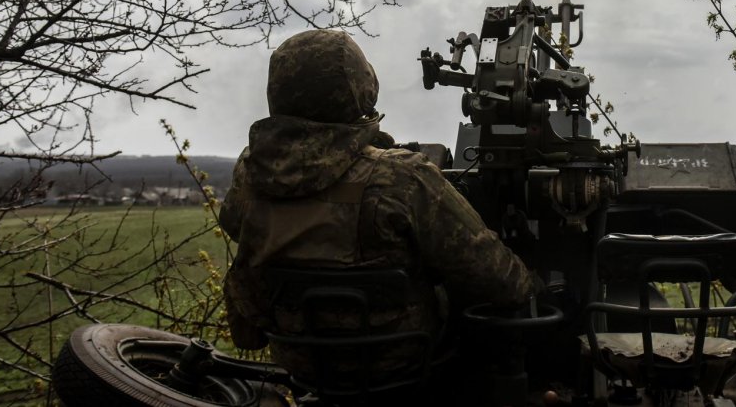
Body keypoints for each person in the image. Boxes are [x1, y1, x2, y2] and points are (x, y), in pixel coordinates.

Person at [219, 29, 535, 388]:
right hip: (403, 369)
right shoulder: (402, 177)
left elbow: (236, 225)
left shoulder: (251, 173)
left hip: (304, 365)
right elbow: (501, 281)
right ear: (361, 88)